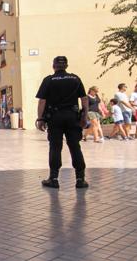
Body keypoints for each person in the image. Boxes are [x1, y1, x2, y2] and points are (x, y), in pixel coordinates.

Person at [36, 56, 89, 189]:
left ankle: (53, 179)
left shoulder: (49, 80)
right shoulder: (75, 79)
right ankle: (80, 179)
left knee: (55, 147)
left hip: (55, 117)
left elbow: (42, 101)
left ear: (53, 66)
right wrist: (84, 116)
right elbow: (84, 99)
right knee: (75, 146)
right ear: (66, 65)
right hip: (72, 116)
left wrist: (40, 118)